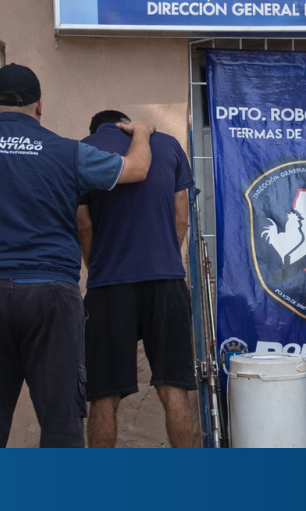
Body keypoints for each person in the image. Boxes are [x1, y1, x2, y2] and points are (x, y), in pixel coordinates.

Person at [0, 64, 155, 448]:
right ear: (40, 105)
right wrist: (143, 132)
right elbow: (136, 169)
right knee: (60, 420)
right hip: (51, 296)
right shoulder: (67, 152)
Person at [77, 110, 197, 447]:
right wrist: (166, 255)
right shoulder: (169, 146)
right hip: (166, 280)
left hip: (109, 284)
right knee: (174, 388)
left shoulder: (85, 149)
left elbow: (83, 224)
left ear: (96, 129)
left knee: (104, 394)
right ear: (126, 123)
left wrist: (97, 265)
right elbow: (182, 217)